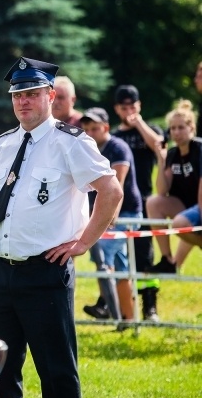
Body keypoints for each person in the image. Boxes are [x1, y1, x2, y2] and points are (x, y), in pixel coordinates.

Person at [0, 57, 122, 398]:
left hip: (44, 274)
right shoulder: (3, 144)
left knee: (57, 371)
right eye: (18, 95)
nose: (23, 102)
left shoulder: (71, 142)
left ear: (50, 97)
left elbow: (111, 190)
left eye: (32, 94)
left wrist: (83, 242)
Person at [79, 107, 141, 326]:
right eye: (85, 129)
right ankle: (125, 318)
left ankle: (113, 310)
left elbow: (118, 186)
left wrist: (109, 219)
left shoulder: (118, 147)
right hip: (101, 213)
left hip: (125, 212)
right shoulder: (84, 148)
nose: (90, 133)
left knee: (106, 259)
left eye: (94, 128)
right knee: (118, 265)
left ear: (105, 127)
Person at [111, 84, 164, 321]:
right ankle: (118, 306)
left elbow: (158, 145)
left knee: (145, 256)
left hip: (145, 201)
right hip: (121, 203)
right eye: (124, 108)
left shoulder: (149, 129)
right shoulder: (115, 137)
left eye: (133, 106)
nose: (129, 111)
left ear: (139, 106)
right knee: (118, 256)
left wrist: (139, 123)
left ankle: (149, 306)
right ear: (116, 109)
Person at [147, 100, 202, 269]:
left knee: (180, 223)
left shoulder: (199, 149)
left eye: (181, 127)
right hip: (186, 207)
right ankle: (167, 260)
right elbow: (162, 191)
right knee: (153, 202)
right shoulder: (172, 154)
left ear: (191, 128)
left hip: (200, 204)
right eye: (173, 128)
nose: (176, 132)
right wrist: (161, 159)